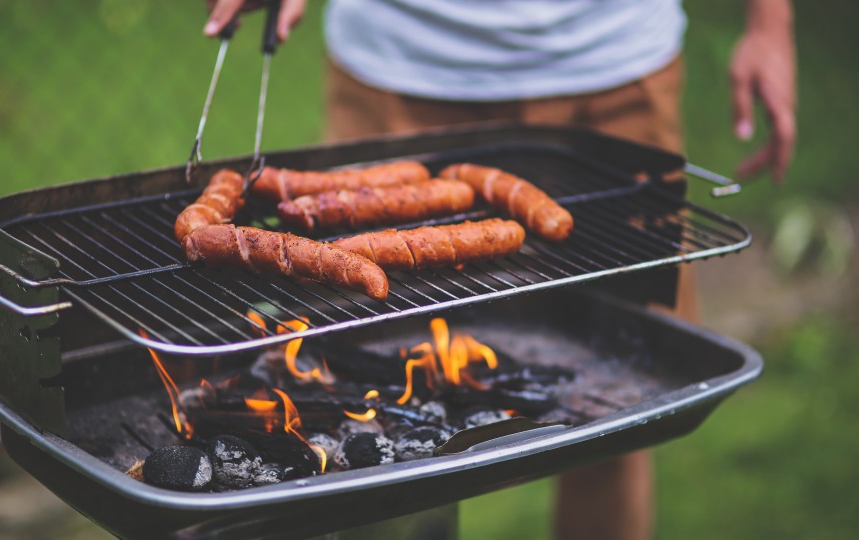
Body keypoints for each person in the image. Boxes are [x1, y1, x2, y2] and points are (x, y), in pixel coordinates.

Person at [204, 2, 796, 539]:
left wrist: (771, 27)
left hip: (614, 66)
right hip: (399, 63)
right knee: (360, 419)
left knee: (621, 415)